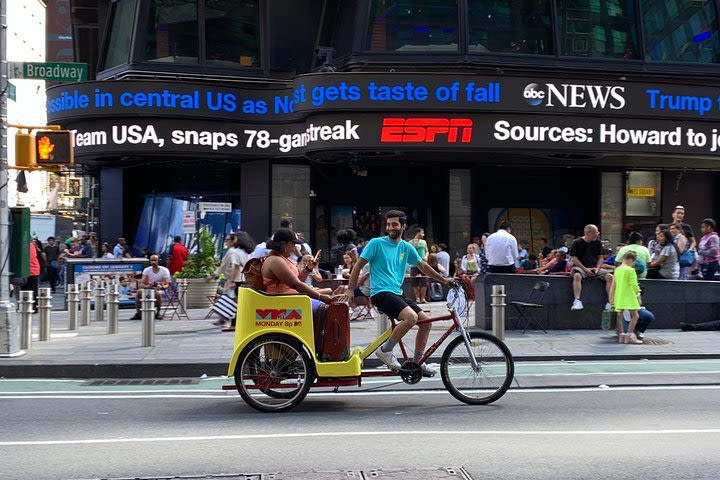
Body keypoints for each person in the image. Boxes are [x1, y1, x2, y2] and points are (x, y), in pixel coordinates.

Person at [342, 210, 455, 376]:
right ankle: (385, 350)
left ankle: (417, 363)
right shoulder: (376, 243)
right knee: (411, 318)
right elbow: (358, 266)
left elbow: (423, 266)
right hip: (380, 293)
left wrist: (444, 280)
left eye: (394, 224)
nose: (390, 228)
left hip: (397, 293)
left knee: (426, 323)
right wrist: (350, 289)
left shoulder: (406, 247)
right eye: (388, 225)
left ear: (403, 226)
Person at [261, 228, 334, 315]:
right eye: (293, 245)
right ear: (286, 245)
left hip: (292, 300)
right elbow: (296, 284)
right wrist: (320, 297)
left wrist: (308, 269)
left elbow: (298, 280)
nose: (294, 249)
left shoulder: (283, 259)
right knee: (324, 308)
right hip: (282, 303)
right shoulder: (275, 261)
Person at [569, 224, 613, 311]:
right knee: (577, 276)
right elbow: (575, 259)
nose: (598, 234)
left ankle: (611, 302)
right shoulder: (577, 242)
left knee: (610, 277)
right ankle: (577, 300)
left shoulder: (598, 243)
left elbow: (600, 258)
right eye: (596, 232)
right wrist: (585, 269)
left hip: (595, 267)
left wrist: (597, 268)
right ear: (588, 232)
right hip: (581, 267)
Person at [609, 251, 642, 344]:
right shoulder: (631, 270)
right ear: (632, 260)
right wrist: (638, 294)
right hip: (629, 295)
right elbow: (634, 285)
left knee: (619, 316)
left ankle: (621, 336)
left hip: (619, 295)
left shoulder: (617, 270)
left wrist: (611, 297)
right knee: (635, 316)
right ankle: (629, 336)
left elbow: (613, 285)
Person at [130, 254, 171, 320]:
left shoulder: (164, 270)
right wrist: (148, 286)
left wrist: (161, 286)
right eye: (152, 260)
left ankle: (158, 313)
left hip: (160, 289)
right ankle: (138, 313)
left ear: (158, 261)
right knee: (139, 292)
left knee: (158, 293)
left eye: (155, 260)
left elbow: (167, 285)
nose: (153, 262)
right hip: (149, 288)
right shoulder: (147, 270)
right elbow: (141, 284)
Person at [409, 227, 429, 303]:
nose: (423, 234)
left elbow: (427, 251)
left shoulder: (424, 242)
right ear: (418, 233)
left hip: (423, 263)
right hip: (414, 264)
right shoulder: (411, 242)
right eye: (422, 232)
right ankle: (417, 298)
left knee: (424, 281)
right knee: (415, 282)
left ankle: (423, 298)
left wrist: (426, 256)